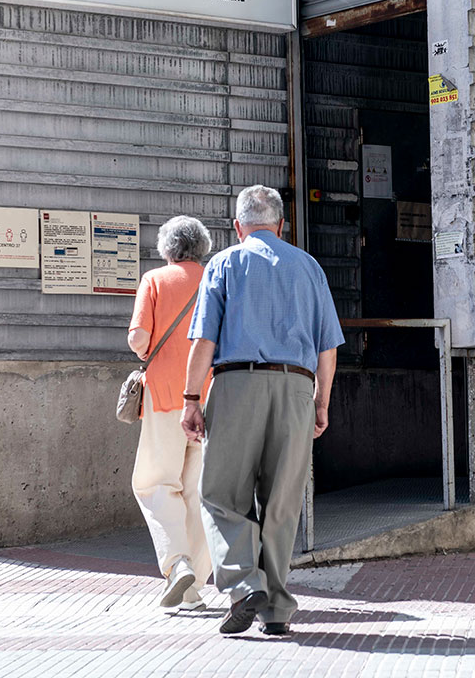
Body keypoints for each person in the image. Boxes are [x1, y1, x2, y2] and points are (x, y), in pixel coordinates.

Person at [180, 185, 343, 636]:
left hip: (236, 384)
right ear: (281, 225)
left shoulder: (225, 263)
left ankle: (245, 582)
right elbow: (328, 347)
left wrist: (192, 400)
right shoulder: (309, 267)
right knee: (282, 504)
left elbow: (204, 342)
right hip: (296, 387)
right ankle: (275, 611)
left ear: (238, 227)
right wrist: (321, 402)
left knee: (220, 494)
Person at [127, 215, 214, 613]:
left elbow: (139, 338)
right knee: (198, 492)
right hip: (213, 397)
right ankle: (195, 583)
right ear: (202, 246)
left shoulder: (155, 280)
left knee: (154, 483)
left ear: (167, 248)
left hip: (166, 397)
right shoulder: (217, 278)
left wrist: (149, 352)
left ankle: (177, 563)